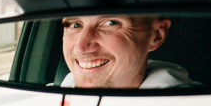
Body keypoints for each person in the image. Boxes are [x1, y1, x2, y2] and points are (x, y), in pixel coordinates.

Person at [60, 15, 193, 89]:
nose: (80, 48)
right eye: (75, 25)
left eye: (111, 23)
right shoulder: (45, 101)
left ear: (156, 35)